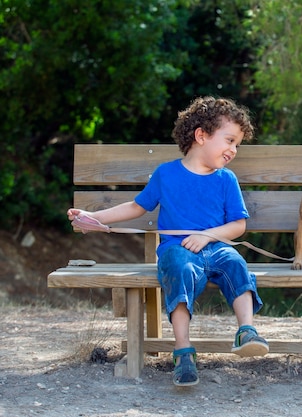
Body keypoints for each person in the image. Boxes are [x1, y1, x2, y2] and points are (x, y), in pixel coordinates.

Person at [67, 96, 268, 387]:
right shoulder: (166, 174)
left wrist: (207, 235)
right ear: (201, 135)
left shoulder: (226, 179)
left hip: (217, 247)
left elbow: (238, 225)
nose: (233, 150)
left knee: (236, 263)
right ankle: (183, 350)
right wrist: (94, 217)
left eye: (237, 144)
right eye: (229, 141)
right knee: (178, 269)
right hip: (178, 250)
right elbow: (136, 207)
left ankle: (246, 330)